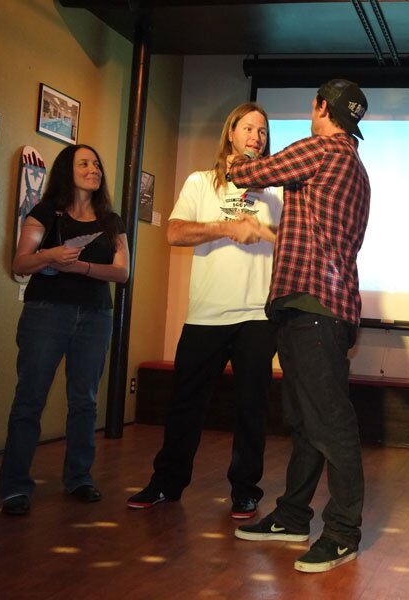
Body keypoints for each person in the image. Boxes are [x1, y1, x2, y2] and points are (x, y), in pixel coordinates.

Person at [228, 79, 370, 574]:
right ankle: (292, 516)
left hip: (314, 308)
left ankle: (342, 533)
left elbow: (247, 174)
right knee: (309, 422)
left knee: (330, 424)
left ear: (320, 106)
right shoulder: (355, 165)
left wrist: (239, 147)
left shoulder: (322, 149)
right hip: (324, 309)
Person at [127, 103, 282, 518]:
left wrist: (262, 229)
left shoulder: (278, 191)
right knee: (185, 404)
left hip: (257, 316)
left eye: (263, 131)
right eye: (248, 128)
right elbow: (175, 232)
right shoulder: (200, 182)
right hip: (206, 315)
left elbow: (294, 240)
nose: (256, 137)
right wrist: (227, 227)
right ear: (230, 132)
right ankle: (167, 483)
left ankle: (245, 490)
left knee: (252, 409)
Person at [0, 144, 130, 515]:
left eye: (97, 163)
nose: (94, 169)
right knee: (30, 399)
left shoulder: (111, 221)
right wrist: (50, 256)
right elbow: (20, 264)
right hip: (46, 314)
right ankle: (14, 488)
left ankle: (79, 478)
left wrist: (80, 267)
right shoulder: (44, 213)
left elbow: (122, 272)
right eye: (84, 163)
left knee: (85, 401)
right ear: (65, 171)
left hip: (95, 316)